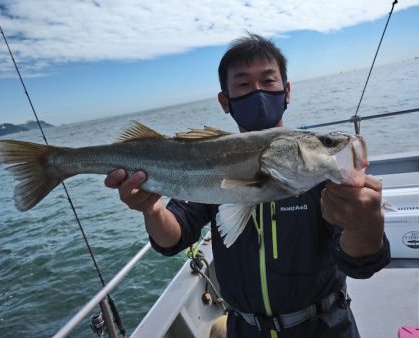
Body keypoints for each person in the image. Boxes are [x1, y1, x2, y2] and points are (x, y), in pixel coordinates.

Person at [104, 33, 390, 338]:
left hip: (325, 327)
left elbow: (361, 263)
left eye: (268, 81)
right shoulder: (212, 155)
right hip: (244, 329)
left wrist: (366, 226)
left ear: (286, 91)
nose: (257, 92)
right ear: (225, 101)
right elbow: (174, 237)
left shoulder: (317, 172)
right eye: (243, 84)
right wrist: (152, 209)